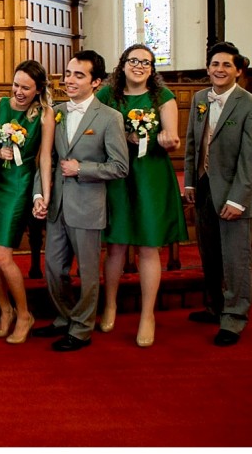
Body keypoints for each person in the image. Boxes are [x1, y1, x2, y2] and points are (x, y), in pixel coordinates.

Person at [31, 50, 128, 351]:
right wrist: (39, 194)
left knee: (87, 272)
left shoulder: (109, 118)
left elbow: (120, 166)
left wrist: (81, 169)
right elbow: (46, 159)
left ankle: (82, 328)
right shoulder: (56, 111)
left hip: (88, 204)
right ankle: (64, 318)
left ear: (96, 82)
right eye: (68, 73)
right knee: (53, 268)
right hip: (56, 204)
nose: (69, 79)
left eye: (78, 75)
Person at [95, 44, 188, 348]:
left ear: (152, 69)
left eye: (146, 63)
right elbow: (94, 129)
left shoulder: (163, 97)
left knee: (148, 247)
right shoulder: (107, 96)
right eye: (133, 61)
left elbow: (172, 137)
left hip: (151, 176)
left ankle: (147, 315)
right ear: (122, 65)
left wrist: (167, 138)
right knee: (116, 244)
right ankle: (109, 304)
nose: (139, 66)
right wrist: (124, 136)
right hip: (118, 175)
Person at [183, 41, 252, 347]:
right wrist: (191, 182)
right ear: (208, 69)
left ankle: (234, 317)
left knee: (235, 259)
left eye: (226, 65)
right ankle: (214, 307)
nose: (219, 70)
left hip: (234, 194)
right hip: (204, 188)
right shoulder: (200, 99)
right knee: (210, 255)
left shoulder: (251, 106)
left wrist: (237, 199)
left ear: (239, 70)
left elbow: (251, 159)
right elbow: (193, 142)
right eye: (215, 64)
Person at [0, 60, 54, 344]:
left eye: (25, 88)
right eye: (16, 85)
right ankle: (5, 310)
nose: (18, 92)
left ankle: (24, 314)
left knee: (1, 255)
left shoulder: (45, 115)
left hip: (18, 186)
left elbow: (44, 157)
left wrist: (44, 194)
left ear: (38, 90)